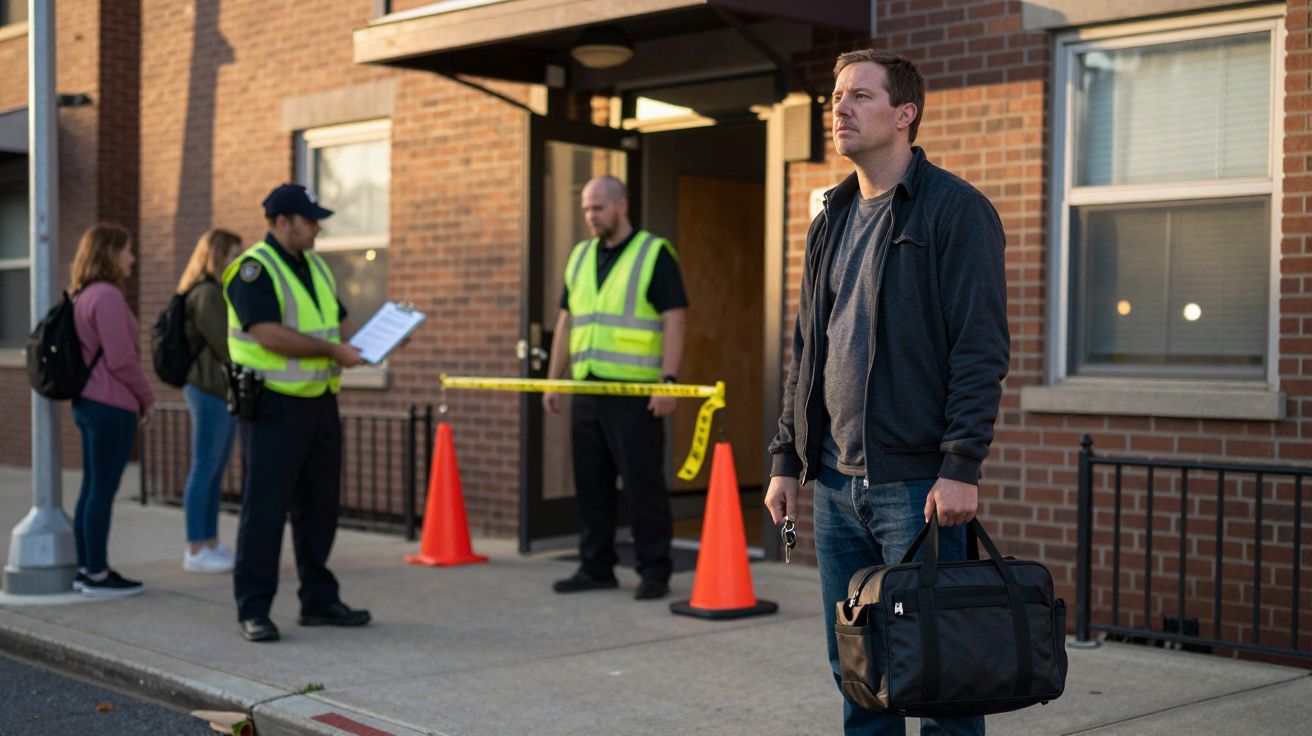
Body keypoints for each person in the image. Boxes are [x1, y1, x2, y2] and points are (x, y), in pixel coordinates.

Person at [764, 49, 1009, 736]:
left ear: (906, 114)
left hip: (915, 488)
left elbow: (980, 350)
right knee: (860, 674)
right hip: (838, 489)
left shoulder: (955, 212)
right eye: (836, 96)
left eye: (860, 96)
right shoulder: (830, 221)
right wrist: (787, 458)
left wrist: (961, 466)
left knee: (940, 677)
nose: (839, 107)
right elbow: (808, 351)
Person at [224, 184, 369, 642]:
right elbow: (266, 333)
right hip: (272, 407)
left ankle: (319, 600)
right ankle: (254, 608)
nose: (317, 226)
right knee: (265, 510)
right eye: (309, 220)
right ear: (280, 221)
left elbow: (340, 324)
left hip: (320, 403)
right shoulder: (251, 269)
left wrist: (374, 341)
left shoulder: (318, 268)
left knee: (320, 508)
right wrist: (332, 350)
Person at [542, 175, 688, 601]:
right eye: (586, 208)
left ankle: (654, 570)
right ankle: (596, 566)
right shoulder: (580, 256)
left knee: (642, 485)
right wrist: (553, 379)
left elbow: (674, 318)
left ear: (622, 205)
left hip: (635, 392)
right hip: (587, 389)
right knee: (591, 484)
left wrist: (669, 382)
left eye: (598, 208)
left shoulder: (653, 253)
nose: (590, 216)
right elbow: (567, 321)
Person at [69, 224, 156, 598]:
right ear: (108, 254)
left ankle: (87, 568)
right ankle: (98, 573)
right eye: (126, 250)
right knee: (102, 489)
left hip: (88, 402)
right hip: (111, 404)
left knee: (92, 488)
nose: (132, 258)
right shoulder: (106, 296)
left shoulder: (83, 295)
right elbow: (121, 359)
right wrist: (146, 397)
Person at [178, 228, 243, 574]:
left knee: (214, 470)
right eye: (234, 254)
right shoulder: (205, 293)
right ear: (217, 256)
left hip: (218, 390)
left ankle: (210, 542)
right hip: (208, 390)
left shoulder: (215, 292)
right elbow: (226, 344)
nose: (238, 260)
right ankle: (196, 547)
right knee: (205, 467)